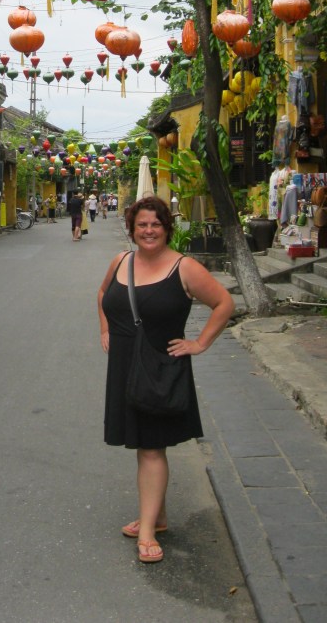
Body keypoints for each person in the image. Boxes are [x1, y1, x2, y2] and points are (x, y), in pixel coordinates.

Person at [96, 195, 234, 564]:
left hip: (159, 367)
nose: (148, 230)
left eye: (155, 224)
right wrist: (105, 329)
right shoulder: (121, 262)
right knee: (144, 444)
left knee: (152, 447)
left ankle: (146, 532)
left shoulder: (184, 268)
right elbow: (102, 294)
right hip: (125, 367)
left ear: (167, 228)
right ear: (132, 228)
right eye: (142, 224)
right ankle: (156, 517)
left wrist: (199, 344)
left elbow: (224, 304)